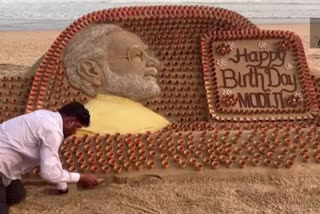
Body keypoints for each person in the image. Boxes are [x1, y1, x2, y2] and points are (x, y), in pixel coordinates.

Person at [63, 24, 170, 135]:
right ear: (91, 71)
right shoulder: (84, 130)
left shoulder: (70, 127)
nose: (154, 62)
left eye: (148, 54)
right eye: (137, 55)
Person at [0, 102, 100, 214]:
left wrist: (63, 187)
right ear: (70, 121)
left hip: (6, 169)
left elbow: (52, 160)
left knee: (17, 195)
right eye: (77, 127)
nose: (74, 132)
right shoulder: (53, 131)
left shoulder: (46, 116)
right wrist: (81, 177)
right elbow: (49, 173)